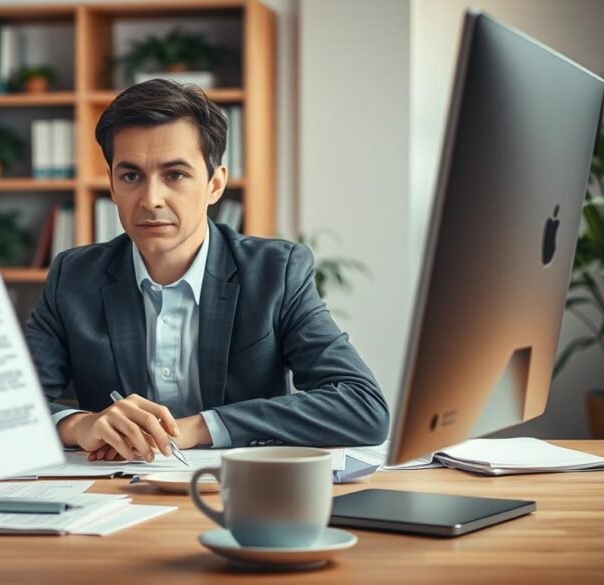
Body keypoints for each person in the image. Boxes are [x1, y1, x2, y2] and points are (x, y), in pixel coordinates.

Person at [25, 79, 389, 462]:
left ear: (215, 185)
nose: (151, 200)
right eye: (131, 176)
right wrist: (79, 424)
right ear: (113, 187)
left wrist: (197, 427)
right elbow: (7, 412)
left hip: (240, 493)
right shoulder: (74, 277)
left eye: (175, 175)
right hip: (113, 498)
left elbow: (362, 406)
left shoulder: (275, 273)